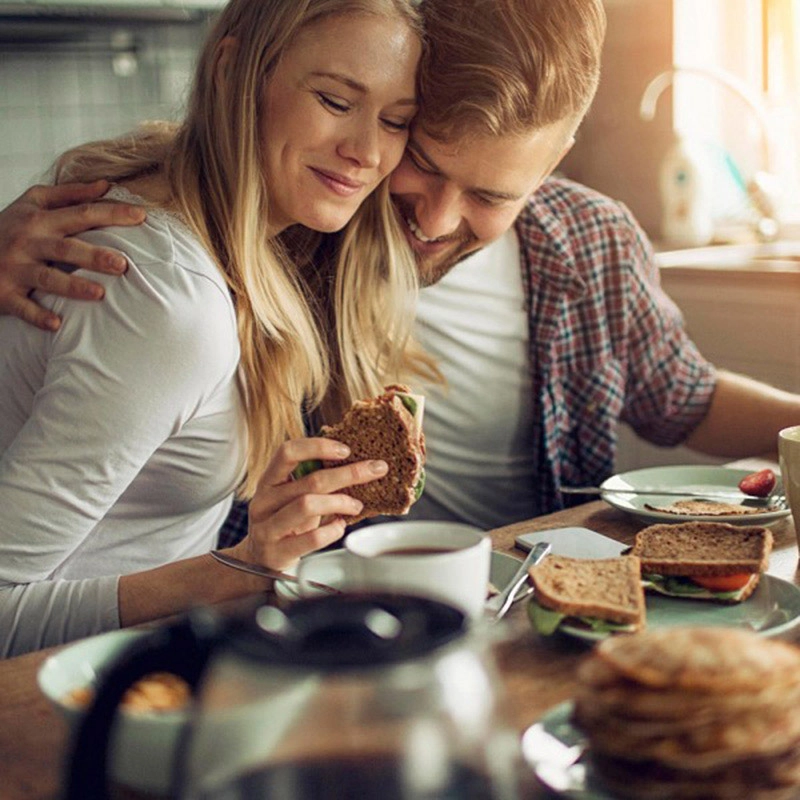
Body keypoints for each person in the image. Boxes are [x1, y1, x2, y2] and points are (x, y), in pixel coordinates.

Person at [3, 0, 800, 536]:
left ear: (554, 164)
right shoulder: (293, 223)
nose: (436, 218)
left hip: (525, 603)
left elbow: (685, 399)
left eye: (490, 194)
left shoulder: (589, 244)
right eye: (421, 158)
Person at [0, 0, 429, 657]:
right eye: (336, 101)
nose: (367, 152)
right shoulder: (164, 303)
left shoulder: (216, 221)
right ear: (234, 70)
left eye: (396, 121)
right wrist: (244, 566)